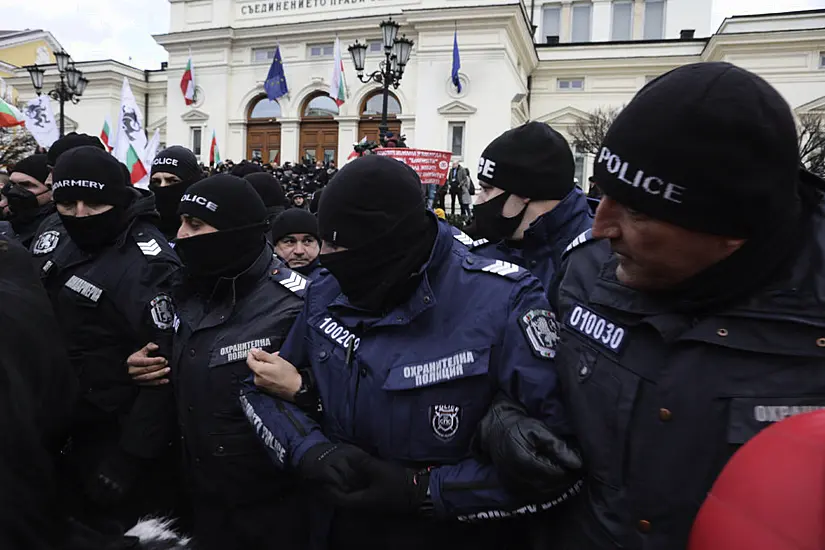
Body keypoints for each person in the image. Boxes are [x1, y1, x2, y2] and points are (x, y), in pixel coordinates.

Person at [474, 62, 825, 550]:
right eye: (604, 195)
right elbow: (535, 381)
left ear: (730, 233)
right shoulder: (585, 272)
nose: (601, 228)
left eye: (636, 210)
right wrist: (504, 422)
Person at [239, 155, 580, 550]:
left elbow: (557, 464)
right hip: (334, 530)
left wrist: (421, 490)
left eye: (338, 244)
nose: (325, 256)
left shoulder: (504, 302)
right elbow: (259, 388)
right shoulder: (327, 291)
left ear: (386, 243)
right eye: (324, 241)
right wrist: (310, 451)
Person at [127, 175, 311, 550]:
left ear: (235, 231)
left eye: (195, 225)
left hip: (273, 512)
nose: (180, 235)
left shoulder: (297, 305)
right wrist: (140, 367)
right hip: (197, 499)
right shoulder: (184, 289)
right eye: (180, 222)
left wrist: (305, 389)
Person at [40, 146, 181, 533]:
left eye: (94, 203)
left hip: (115, 436)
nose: (80, 214)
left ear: (117, 201)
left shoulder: (148, 265)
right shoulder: (60, 234)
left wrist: (130, 456)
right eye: (68, 203)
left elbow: (161, 375)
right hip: (63, 425)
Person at [466, 122, 593, 305]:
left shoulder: (596, 263)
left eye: (487, 189)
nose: (479, 201)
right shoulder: (483, 248)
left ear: (524, 192)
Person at [149, 146, 204, 241]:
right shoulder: (140, 227)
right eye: (156, 182)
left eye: (173, 181)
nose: (163, 187)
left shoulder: (207, 228)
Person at [1, 154, 54, 248]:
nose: (15, 191)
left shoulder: (57, 229)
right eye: (13, 184)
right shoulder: (9, 226)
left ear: (50, 188)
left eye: (26, 185)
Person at [271, 208, 321, 277]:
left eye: (307, 241)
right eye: (290, 242)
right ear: (275, 247)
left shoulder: (336, 282)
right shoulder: (260, 282)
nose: (299, 251)